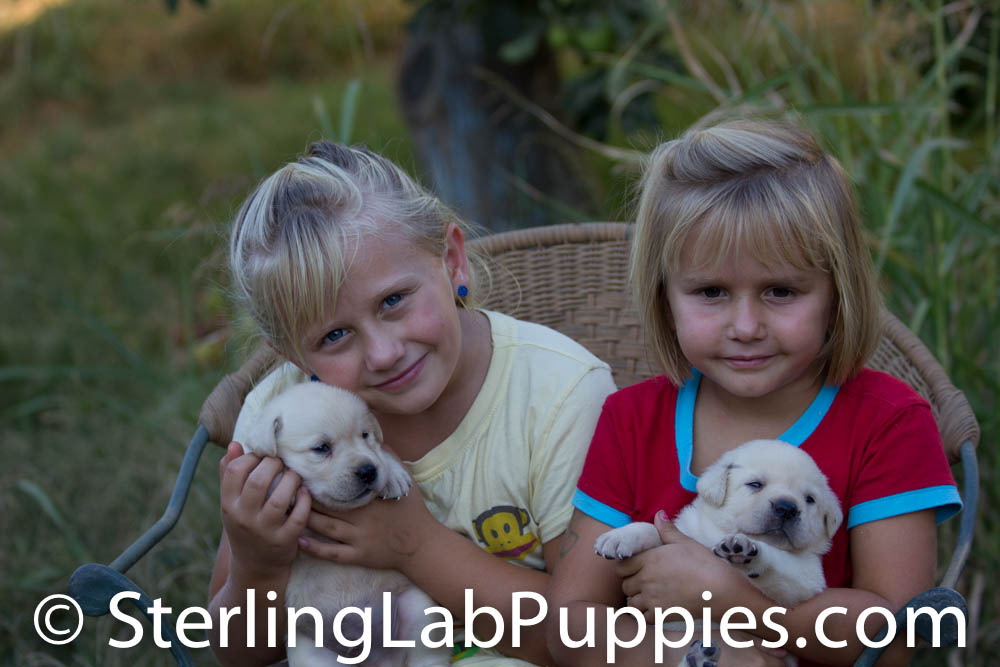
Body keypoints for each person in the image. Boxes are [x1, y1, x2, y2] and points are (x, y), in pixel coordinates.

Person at [546, 118, 962, 667]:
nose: (745, 326)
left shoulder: (889, 421)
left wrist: (730, 599)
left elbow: (894, 639)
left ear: (837, 293)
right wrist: (697, 657)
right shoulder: (632, 418)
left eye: (781, 291)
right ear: (664, 297)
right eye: (711, 291)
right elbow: (571, 625)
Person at [207, 141, 617, 666]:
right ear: (289, 354)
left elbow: (592, 639)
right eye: (334, 336)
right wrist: (257, 566)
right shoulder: (280, 412)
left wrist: (415, 547)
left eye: (393, 301)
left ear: (452, 261)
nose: (384, 353)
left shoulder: (559, 396)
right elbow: (239, 654)